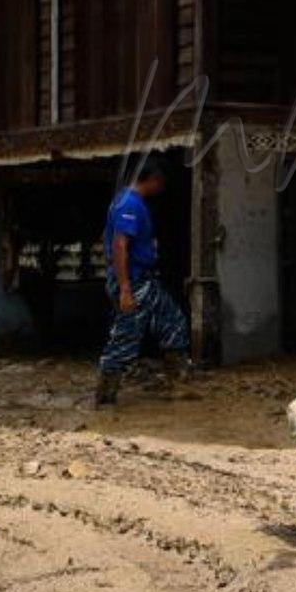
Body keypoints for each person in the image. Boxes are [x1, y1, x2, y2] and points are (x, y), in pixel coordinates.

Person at [96, 153, 192, 405]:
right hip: (134, 280)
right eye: (161, 182)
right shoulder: (129, 204)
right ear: (153, 179)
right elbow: (119, 245)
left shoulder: (126, 202)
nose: (162, 188)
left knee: (173, 323)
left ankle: (177, 382)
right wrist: (126, 288)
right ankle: (105, 395)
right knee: (126, 337)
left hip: (143, 279)